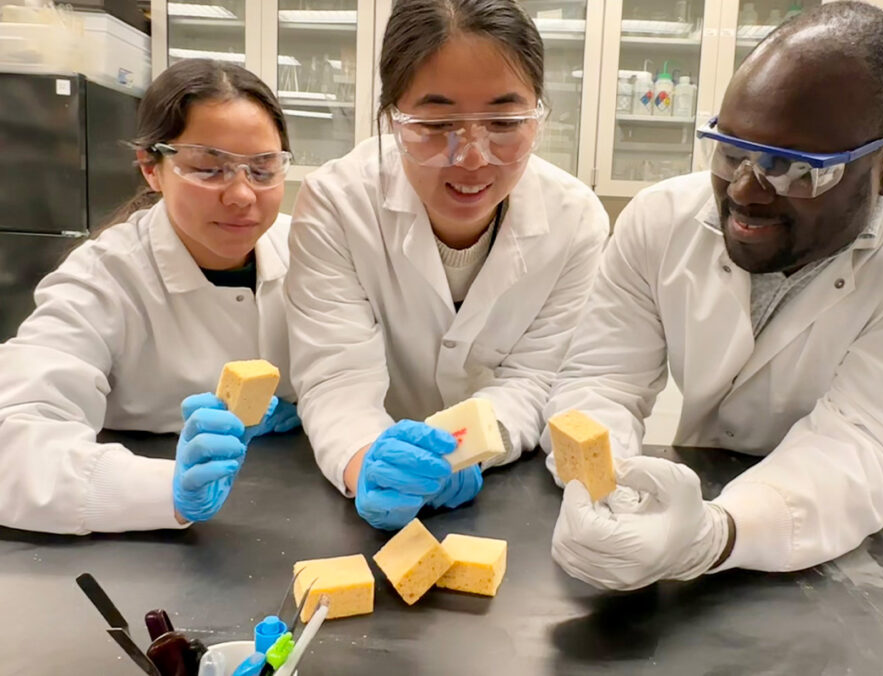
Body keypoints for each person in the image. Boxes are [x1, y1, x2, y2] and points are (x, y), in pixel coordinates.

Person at [544, 2, 883, 590]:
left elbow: (866, 442)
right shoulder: (660, 218)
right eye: (731, 151)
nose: (745, 191)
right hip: (722, 488)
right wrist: (605, 485)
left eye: (794, 169)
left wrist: (712, 537)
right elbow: (602, 381)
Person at [286, 0, 609, 530]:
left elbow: (534, 378)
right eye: (436, 124)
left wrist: (463, 451)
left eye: (505, 122)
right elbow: (336, 375)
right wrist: (367, 461)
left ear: (537, 117)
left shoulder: (575, 221)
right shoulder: (337, 203)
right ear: (392, 120)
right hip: (361, 479)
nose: (472, 157)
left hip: (497, 491)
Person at [0, 59, 300, 535]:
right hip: (141, 536)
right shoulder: (104, 277)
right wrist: (164, 489)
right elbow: (13, 440)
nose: (242, 196)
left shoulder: (309, 250)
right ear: (151, 168)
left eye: (263, 171)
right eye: (209, 169)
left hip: (296, 506)